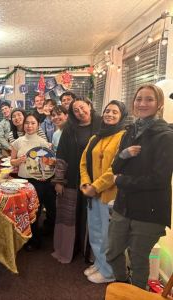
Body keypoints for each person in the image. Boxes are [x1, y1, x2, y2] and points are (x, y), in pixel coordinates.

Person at [107, 84, 173, 289]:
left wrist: (121, 181)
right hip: (123, 205)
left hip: (149, 210)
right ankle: (123, 285)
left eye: (149, 99)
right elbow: (116, 166)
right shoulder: (130, 131)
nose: (142, 103)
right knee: (112, 252)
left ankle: (135, 293)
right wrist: (123, 155)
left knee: (138, 260)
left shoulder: (166, 136)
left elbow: (159, 179)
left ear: (159, 103)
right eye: (138, 99)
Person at [79, 100, 127, 284]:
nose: (110, 114)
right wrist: (85, 184)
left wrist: (95, 187)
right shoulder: (95, 137)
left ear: (122, 115)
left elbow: (116, 167)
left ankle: (109, 272)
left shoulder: (123, 137)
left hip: (110, 195)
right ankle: (100, 264)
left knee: (108, 237)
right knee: (96, 232)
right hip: (92, 194)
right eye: (108, 110)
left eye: (115, 112)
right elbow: (83, 163)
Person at [52, 97, 101, 264]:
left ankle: (90, 253)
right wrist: (59, 180)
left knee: (91, 216)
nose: (80, 112)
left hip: (96, 179)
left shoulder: (102, 126)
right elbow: (61, 155)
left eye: (82, 107)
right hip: (72, 178)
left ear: (90, 105)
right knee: (70, 215)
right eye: (75, 111)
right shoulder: (69, 129)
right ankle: (68, 249)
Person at [10, 113, 49, 250]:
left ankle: (35, 241)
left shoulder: (43, 143)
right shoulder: (18, 141)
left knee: (34, 212)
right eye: (27, 123)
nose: (29, 126)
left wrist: (46, 174)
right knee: (22, 211)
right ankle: (22, 239)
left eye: (33, 123)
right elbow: (12, 161)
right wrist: (18, 161)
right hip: (22, 181)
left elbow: (48, 163)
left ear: (38, 125)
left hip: (38, 181)